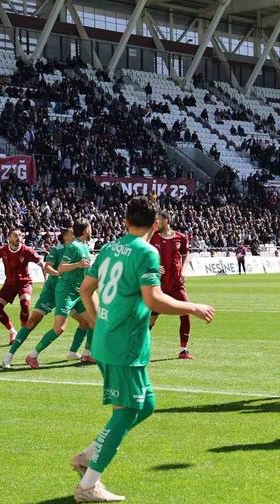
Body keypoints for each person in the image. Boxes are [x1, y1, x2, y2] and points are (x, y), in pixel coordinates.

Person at [70, 196, 214, 502]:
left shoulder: (109, 248)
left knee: (146, 404)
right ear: (155, 224)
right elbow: (153, 299)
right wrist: (193, 307)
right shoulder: (147, 252)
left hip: (109, 340)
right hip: (125, 344)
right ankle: (88, 484)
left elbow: (85, 289)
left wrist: (97, 322)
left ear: (125, 222)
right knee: (126, 413)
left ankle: (89, 455)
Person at [3, 228, 92, 368]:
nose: (75, 234)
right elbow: (47, 268)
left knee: (86, 322)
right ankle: (9, 356)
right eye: (72, 233)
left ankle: (74, 352)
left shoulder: (79, 247)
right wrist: (59, 274)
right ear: (65, 236)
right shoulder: (57, 250)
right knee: (32, 323)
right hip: (52, 292)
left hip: (70, 292)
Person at [149, 210, 193, 359]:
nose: (156, 222)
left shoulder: (181, 237)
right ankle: (138, 346)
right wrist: (154, 266)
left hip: (176, 284)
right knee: (151, 319)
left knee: (185, 312)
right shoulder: (152, 237)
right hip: (158, 285)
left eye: (159, 220)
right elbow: (143, 254)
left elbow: (185, 255)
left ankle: (183, 350)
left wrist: (184, 271)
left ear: (166, 221)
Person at [0, 229, 44, 344]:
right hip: (9, 284)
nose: (19, 238)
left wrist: (46, 279)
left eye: (20, 235)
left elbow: (41, 263)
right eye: (15, 235)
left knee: (25, 304)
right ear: (9, 238)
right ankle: (12, 332)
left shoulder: (27, 250)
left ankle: (23, 332)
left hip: (24, 282)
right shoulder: (3, 250)